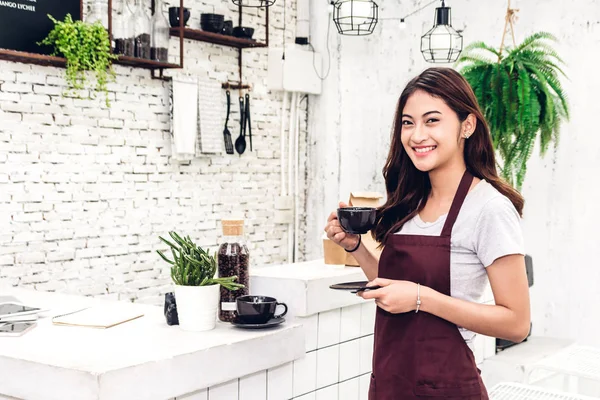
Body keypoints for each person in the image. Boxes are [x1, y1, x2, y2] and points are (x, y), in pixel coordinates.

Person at [324, 67, 530, 399]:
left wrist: (422, 297)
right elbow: (394, 289)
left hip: (446, 390)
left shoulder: (488, 208)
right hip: (392, 385)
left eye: (431, 120)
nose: (417, 135)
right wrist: (356, 248)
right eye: (408, 123)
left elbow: (517, 324)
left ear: (467, 125)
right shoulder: (410, 201)